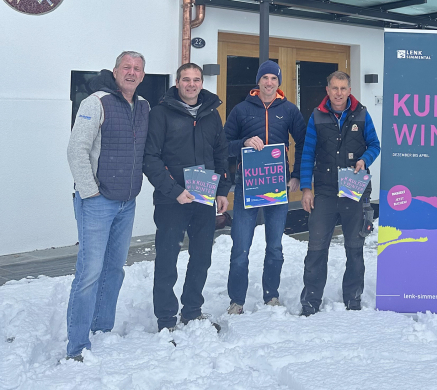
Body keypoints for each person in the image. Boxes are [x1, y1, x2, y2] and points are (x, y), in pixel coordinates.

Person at [65, 51, 150, 360]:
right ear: (115, 72)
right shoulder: (95, 103)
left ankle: (102, 329)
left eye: (137, 68)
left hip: (127, 203)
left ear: (143, 75)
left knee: (114, 270)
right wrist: (91, 194)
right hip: (98, 202)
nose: (131, 72)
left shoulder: (143, 106)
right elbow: (76, 151)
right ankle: (76, 345)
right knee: (89, 272)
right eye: (126, 67)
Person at [143, 63, 231, 332]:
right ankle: (166, 319)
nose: (191, 84)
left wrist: (222, 191)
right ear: (177, 83)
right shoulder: (160, 114)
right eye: (186, 80)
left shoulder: (211, 114)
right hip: (173, 201)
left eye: (196, 80)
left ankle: (192, 311)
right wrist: (175, 191)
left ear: (202, 83)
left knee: (201, 257)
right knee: (168, 259)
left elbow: (221, 153)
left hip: (204, 199)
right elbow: (150, 158)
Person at [224, 60, 306, 314]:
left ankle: (271, 295)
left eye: (273, 78)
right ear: (258, 82)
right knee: (240, 247)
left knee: (275, 246)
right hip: (246, 186)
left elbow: (304, 143)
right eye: (265, 78)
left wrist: (296, 176)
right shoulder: (241, 110)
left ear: (278, 83)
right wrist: (244, 142)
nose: (269, 83)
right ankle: (237, 300)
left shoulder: (290, 110)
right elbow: (223, 144)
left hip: (277, 186)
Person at [299, 71, 380, 316]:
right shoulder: (317, 116)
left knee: (355, 248)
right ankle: (310, 300)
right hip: (324, 192)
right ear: (327, 89)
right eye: (334, 88)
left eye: (343, 88)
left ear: (349, 89)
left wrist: (364, 161)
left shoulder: (363, 115)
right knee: (316, 248)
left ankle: (353, 298)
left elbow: (375, 145)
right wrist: (306, 189)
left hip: (354, 191)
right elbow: (307, 154)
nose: (338, 93)